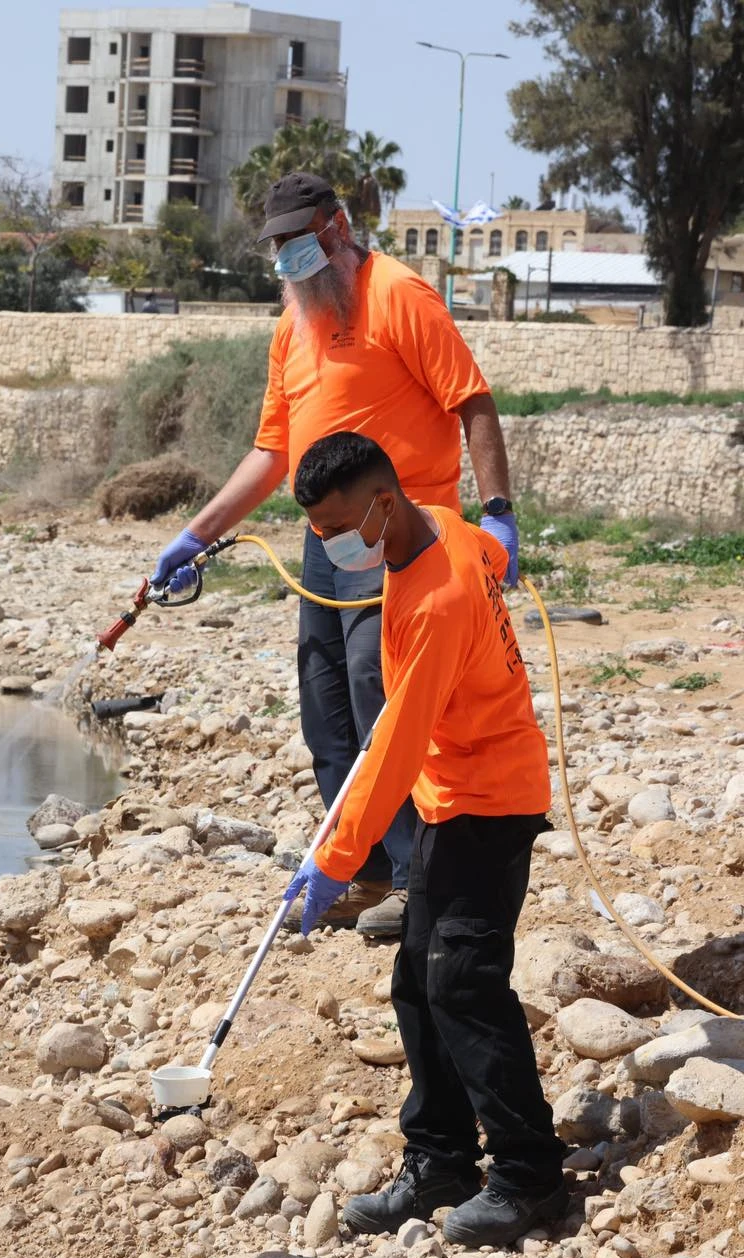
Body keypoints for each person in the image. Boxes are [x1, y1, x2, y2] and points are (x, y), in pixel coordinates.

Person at [149, 172, 518, 940]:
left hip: (402, 536)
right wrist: (197, 533)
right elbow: (272, 452)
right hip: (328, 544)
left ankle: (416, 878)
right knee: (324, 702)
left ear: (338, 228)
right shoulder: (294, 326)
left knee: (378, 695)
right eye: (278, 246)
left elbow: (472, 401)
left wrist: (499, 516)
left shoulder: (401, 296)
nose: (288, 257)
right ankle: (361, 868)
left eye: (298, 240)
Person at [284, 430, 567, 1248]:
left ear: (383, 501)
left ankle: (528, 1173)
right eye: (320, 533)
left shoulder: (437, 600)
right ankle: (441, 1156)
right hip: (450, 798)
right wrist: (500, 548)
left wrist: (335, 862)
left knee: (467, 982)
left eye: (341, 528)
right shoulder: (438, 522)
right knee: (418, 976)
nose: (334, 547)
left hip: (493, 799)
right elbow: (483, 547)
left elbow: (394, 741)